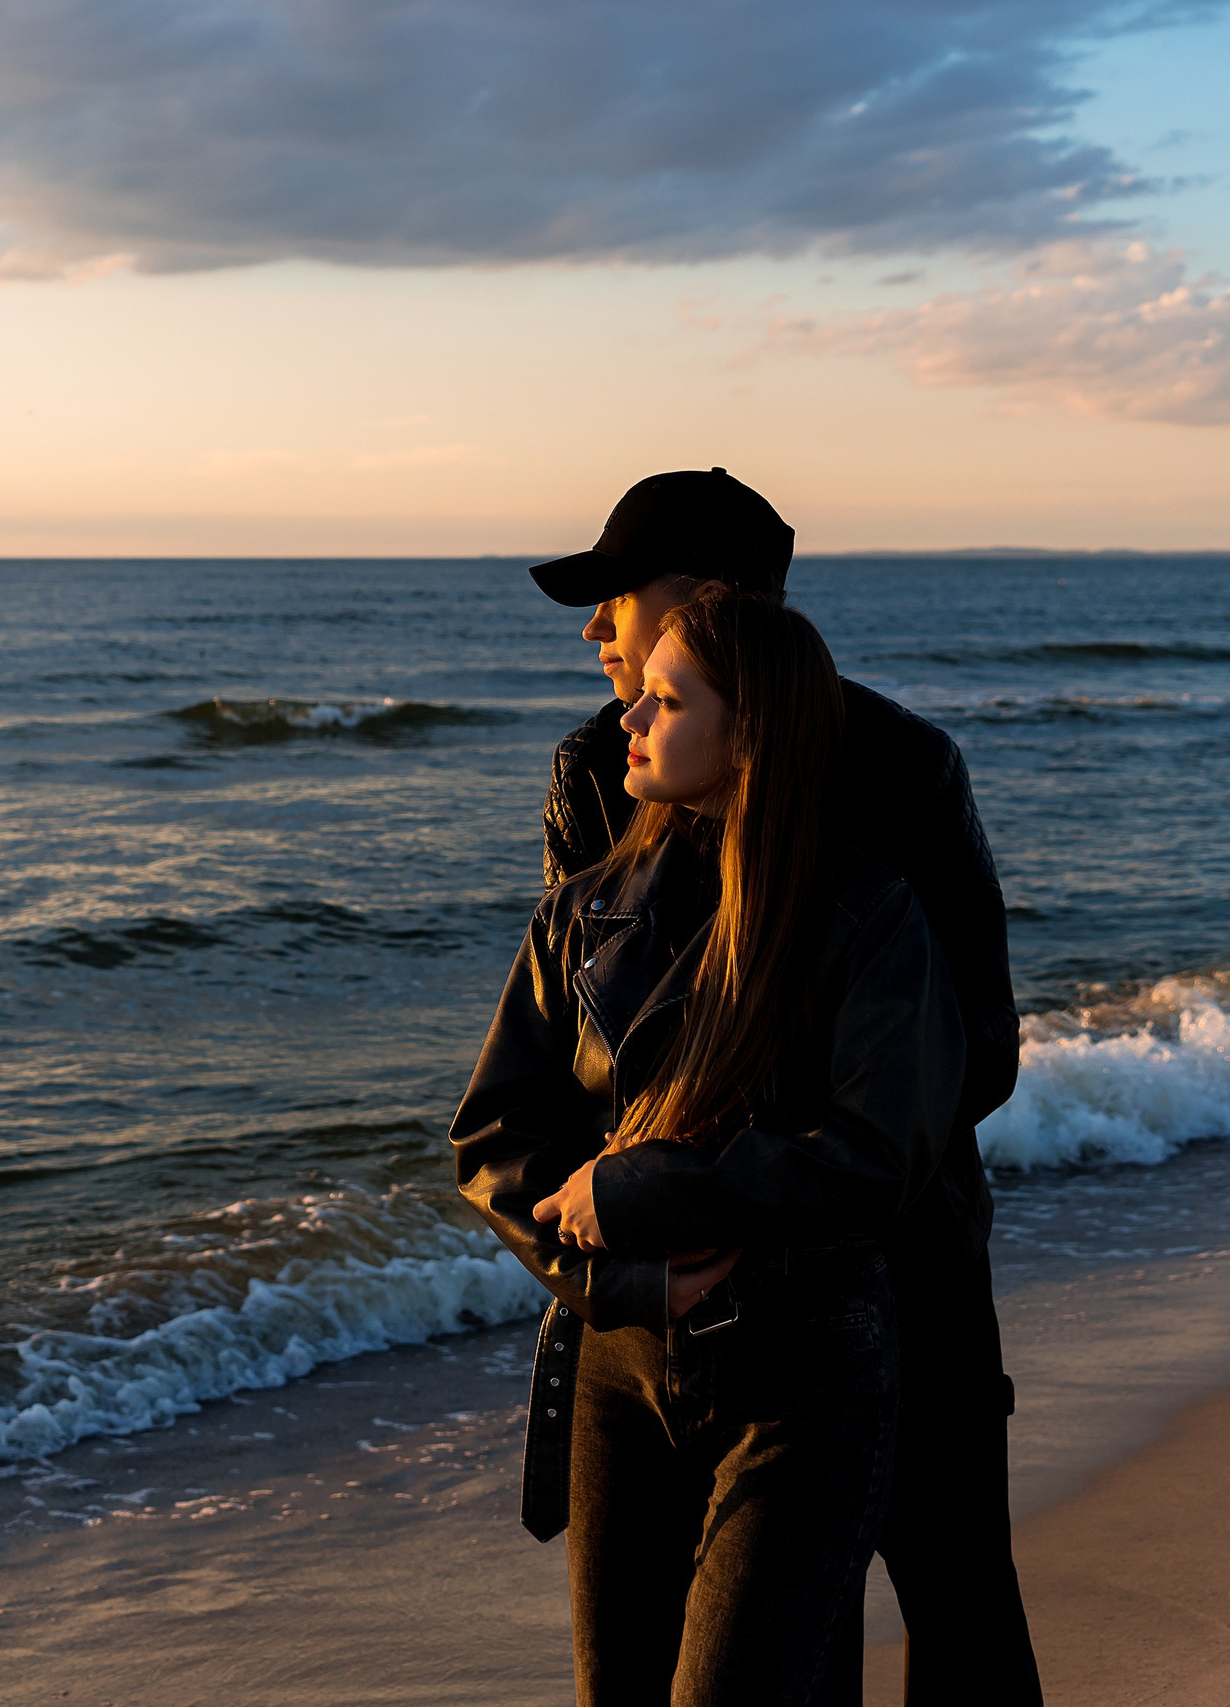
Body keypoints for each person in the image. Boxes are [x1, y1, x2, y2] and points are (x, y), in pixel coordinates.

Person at [521, 470, 1041, 1704]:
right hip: (677, 1311)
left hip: (899, 1272)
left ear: (707, 598)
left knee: (959, 1605)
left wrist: (750, 1172)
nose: (593, 628)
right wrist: (626, 1252)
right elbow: (582, 1059)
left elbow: (981, 1046)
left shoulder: (905, 767)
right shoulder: (596, 769)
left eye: (616, 597)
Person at [452, 587, 971, 1705]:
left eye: (665, 700)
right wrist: (617, 1272)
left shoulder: (867, 916)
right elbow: (496, 1137)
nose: (628, 720)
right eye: (639, 698)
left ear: (750, 733)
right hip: (618, 1367)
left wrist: (648, 1186)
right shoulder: (581, 912)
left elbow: (881, 1153)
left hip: (807, 1372)